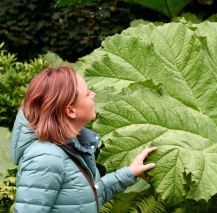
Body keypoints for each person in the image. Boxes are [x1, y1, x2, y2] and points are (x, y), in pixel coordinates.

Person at [11, 66, 157, 213]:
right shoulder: (45, 158)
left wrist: (130, 172)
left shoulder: (68, 147)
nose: (93, 94)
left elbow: (90, 197)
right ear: (70, 111)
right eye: (87, 94)